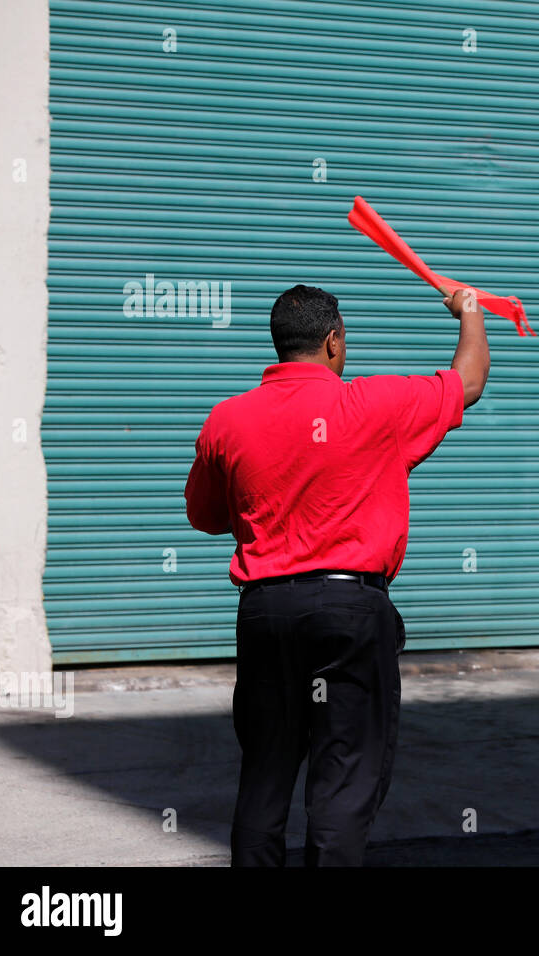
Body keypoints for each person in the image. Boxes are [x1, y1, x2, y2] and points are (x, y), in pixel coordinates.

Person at [183, 282, 489, 866]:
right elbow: (468, 381)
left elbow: (205, 517)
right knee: (343, 782)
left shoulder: (228, 419)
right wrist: (469, 311)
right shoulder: (377, 405)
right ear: (332, 342)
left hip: (267, 613)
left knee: (265, 774)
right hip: (350, 614)